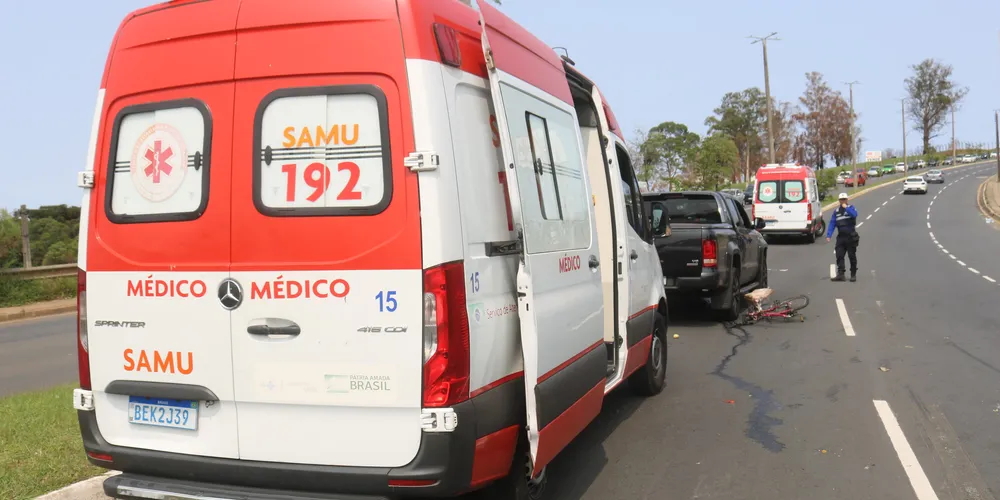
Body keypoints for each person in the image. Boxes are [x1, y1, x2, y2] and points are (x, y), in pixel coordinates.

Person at [826, 192, 859, 282]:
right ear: (839, 201)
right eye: (841, 199)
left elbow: (854, 214)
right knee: (839, 255)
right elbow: (832, 223)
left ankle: (853, 274)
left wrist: (846, 208)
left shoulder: (851, 208)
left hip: (851, 236)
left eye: (844, 199)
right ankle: (841, 274)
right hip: (841, 237)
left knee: (851, 256)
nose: (843, 201)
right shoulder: (836, 212)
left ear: (847, 200)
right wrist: (829, 235)